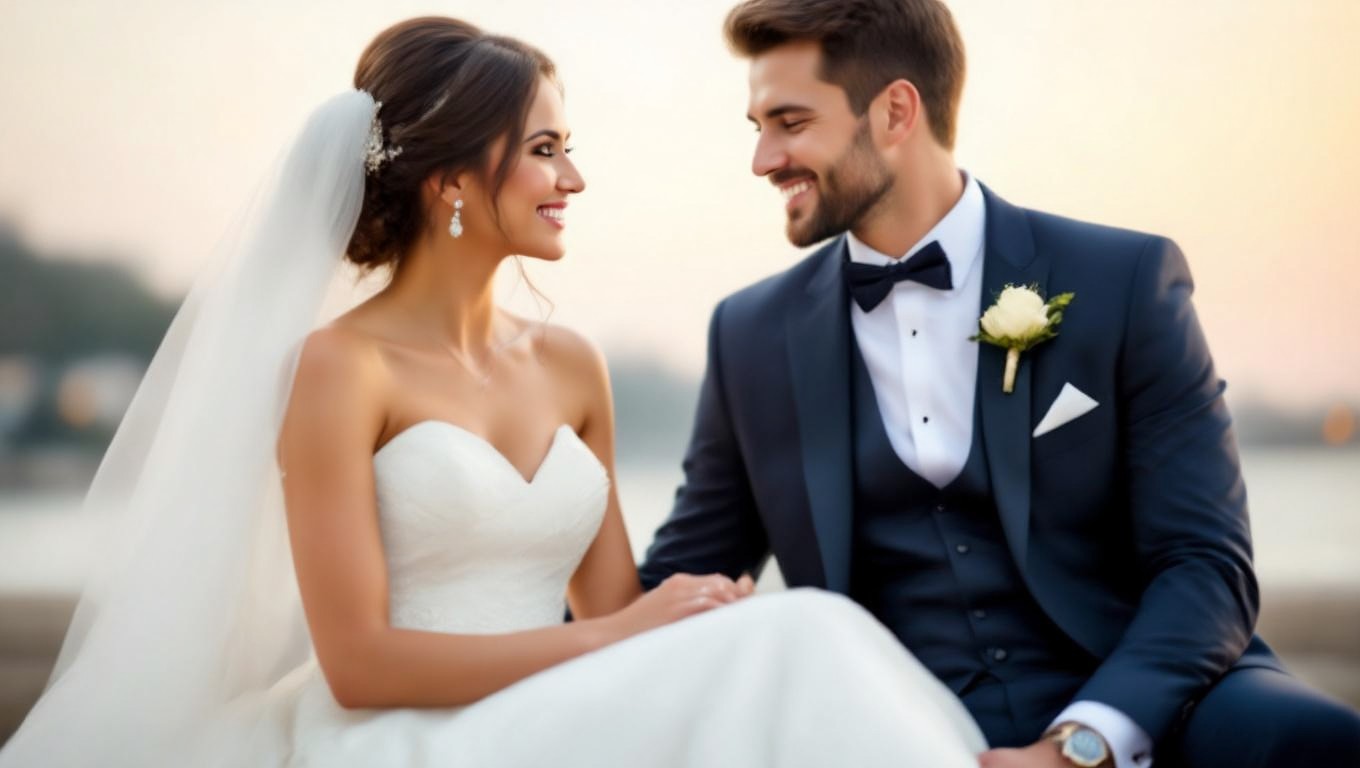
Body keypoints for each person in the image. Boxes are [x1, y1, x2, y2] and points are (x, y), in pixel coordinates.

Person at [0, 15, 987, 768]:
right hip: (404, 733)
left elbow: (611, 609)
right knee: (803, 635)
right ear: (451, 183)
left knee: (794, 631)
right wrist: (621, 633)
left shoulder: (569, 365)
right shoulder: (339, 368)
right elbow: (358, 662)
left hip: (553, 713)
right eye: (546, 149)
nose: (576, 178)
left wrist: (691, 609)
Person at [638, 1, 1360, 767]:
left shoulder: (1122, 281)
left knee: (1308, 741)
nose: (763, 159)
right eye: (758, 128)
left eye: (789, 122)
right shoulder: (751, 334)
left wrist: (1083, 743)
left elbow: (1207, 562)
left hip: (1152, 699)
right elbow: (678, 584)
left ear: (895, 112)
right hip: (905, 726)